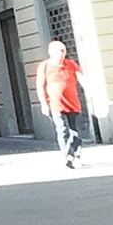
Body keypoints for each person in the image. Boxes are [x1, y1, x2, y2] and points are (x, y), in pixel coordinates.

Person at [34, 39, 85, 168]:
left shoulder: (71, 64)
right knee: (62, 130)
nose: (61, 54)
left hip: (72, 103)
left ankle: (76, 155)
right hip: (56, 105)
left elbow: (81, 78)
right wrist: (44, 104)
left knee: (75, 132)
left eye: (63, 51)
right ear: (51, 52)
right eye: (59, 51)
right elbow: (40, 86)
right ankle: (68, 156)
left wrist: (90, 91)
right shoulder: (45, 66)